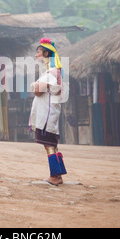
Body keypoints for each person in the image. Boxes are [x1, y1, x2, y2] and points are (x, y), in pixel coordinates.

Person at [29, 38, 67, 185]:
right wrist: (37, 85)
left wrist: (34, 85)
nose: (36, 55)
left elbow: (38, 90)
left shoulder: (51, 72)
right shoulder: (51, 71)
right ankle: (58, 175)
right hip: (48, 112)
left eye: (38, 52)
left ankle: (55, 176)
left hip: (47, 114)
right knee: (52, 144)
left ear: (45, 53)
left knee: (49, 145)